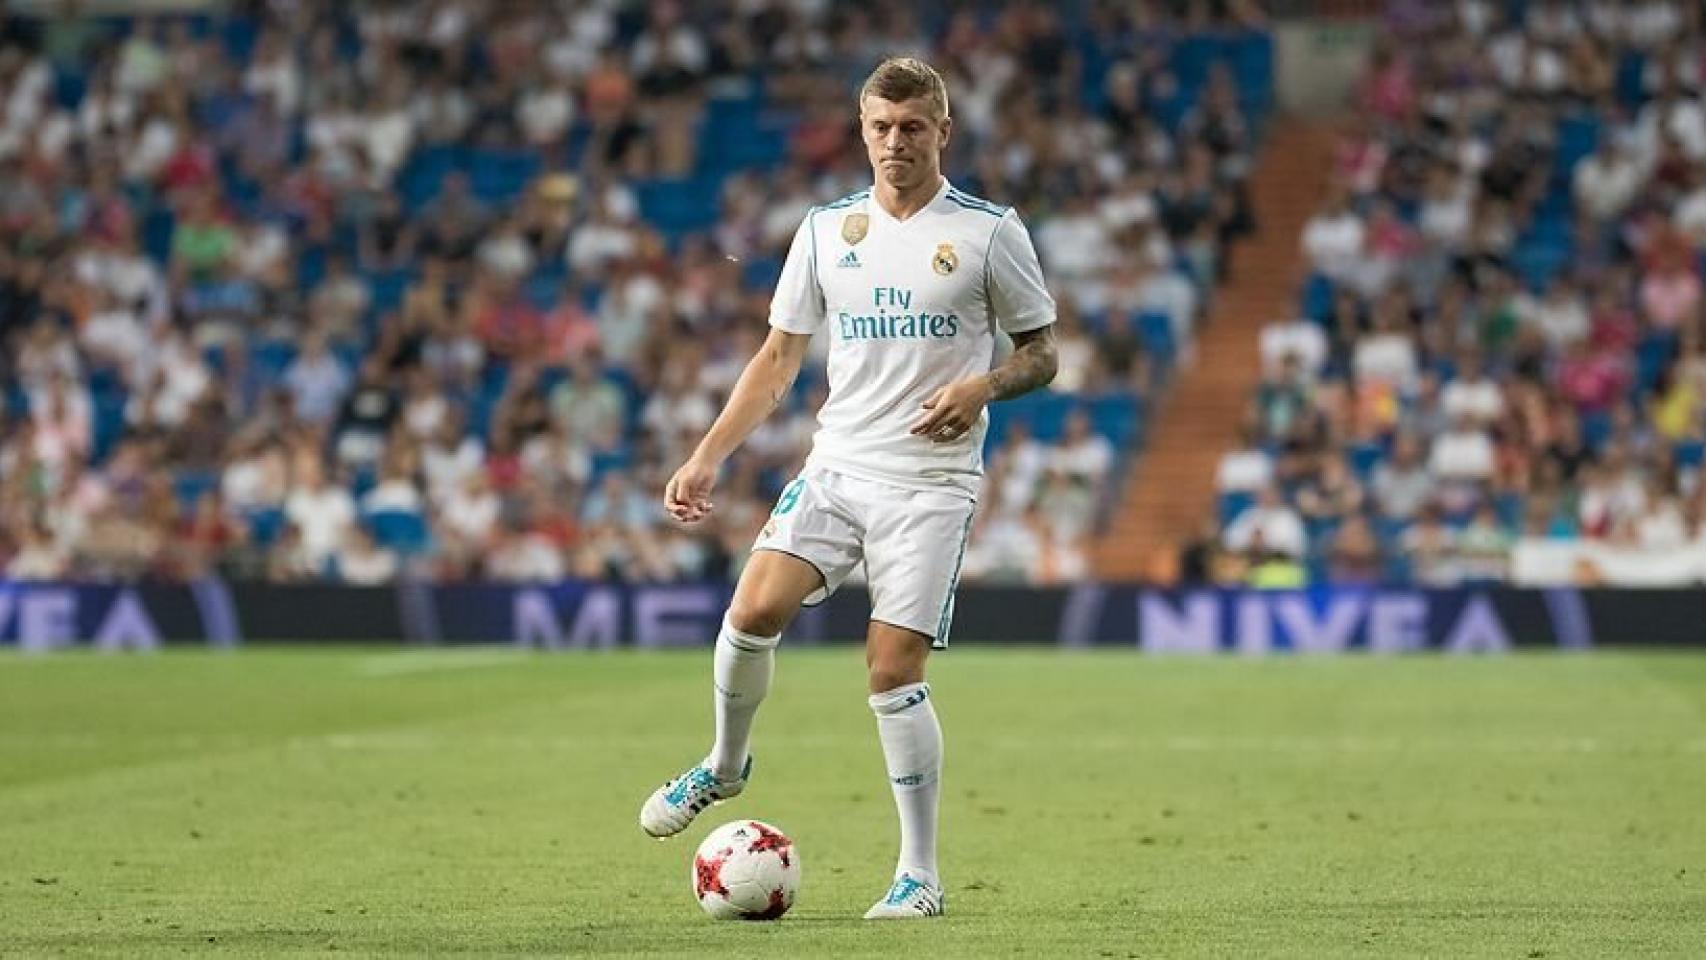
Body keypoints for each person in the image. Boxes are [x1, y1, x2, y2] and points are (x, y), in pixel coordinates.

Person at [637, 58, 1057, 920]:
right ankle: (723, 765)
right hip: (836, 466)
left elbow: (1042, 353)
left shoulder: (988, 232)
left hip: (931, 483)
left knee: (889, 671)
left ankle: (920, 875)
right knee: (750, 614)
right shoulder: (829, 230)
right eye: (880, 127)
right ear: (862, 131)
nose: (895, 142)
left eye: (912, 127)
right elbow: (779, 358)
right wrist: (707, 454)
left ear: (944, 130)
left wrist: (981, 387)